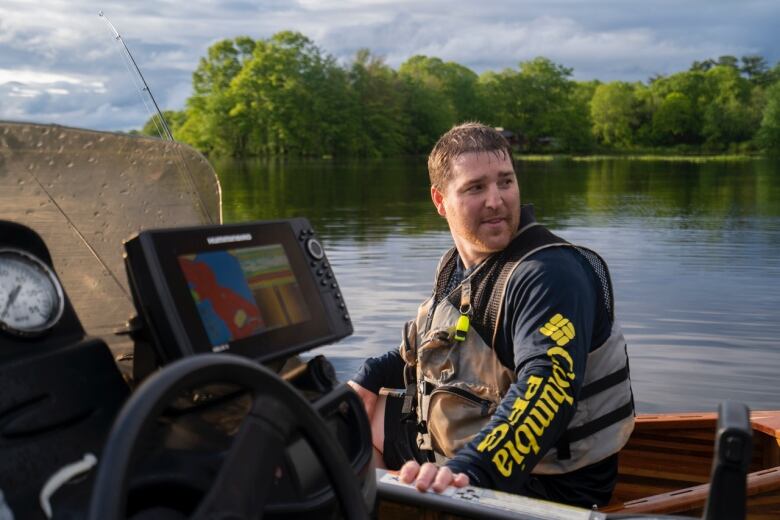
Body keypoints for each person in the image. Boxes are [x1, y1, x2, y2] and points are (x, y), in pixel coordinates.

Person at [348, 122, 635, 508]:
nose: (497, 200)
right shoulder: (459, 266)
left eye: (505, 182)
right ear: (440, 200)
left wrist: (468, 470)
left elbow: (547, 387)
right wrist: (366, 380)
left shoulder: (549, 275)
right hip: (477, 454)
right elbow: (429, 343)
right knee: (350, 420)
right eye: (475, 187)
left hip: (550, 485)